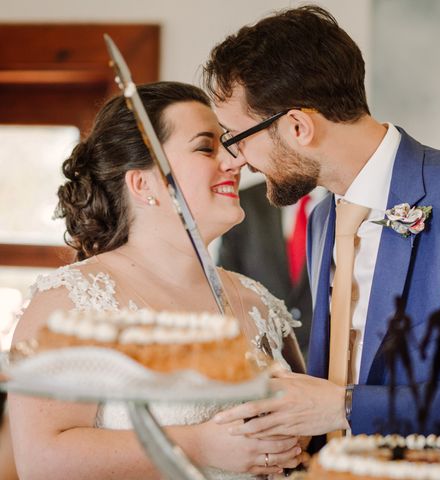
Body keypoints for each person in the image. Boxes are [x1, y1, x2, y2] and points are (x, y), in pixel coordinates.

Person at [203, 6, 440, 479]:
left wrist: (347, 407)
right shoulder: (326, 218)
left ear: (298, 127)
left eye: (237, 137)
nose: (236, 159)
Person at [8, 81, 305, 479]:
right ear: (143, 183)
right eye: (206, 147)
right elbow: (40, 462)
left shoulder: (259, 302)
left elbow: (308, 431)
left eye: (228, 146)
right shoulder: (71, 303)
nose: (235, 163)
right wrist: (200, 444)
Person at [218, 181, 327, 356]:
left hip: (329, 358)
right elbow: (227, 287)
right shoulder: (245, 203)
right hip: (263, 356)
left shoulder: (345, 203)